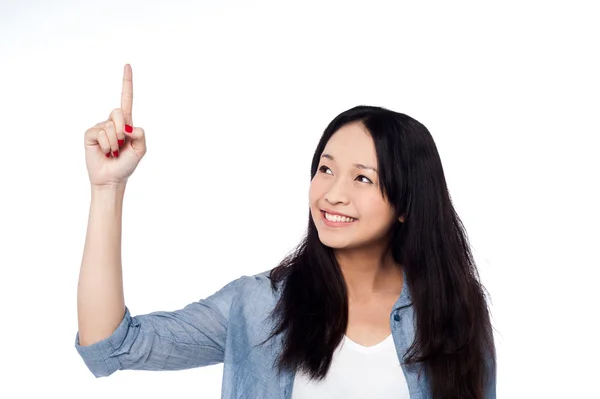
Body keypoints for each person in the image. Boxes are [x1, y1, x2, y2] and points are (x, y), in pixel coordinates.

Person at [75, 64, 497, 399]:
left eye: (362, 179)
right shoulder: (258, 306)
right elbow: (111, 346)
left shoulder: (452, 310)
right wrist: (107, 188)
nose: (333, 194)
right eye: (326, 169)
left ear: (405, 203)